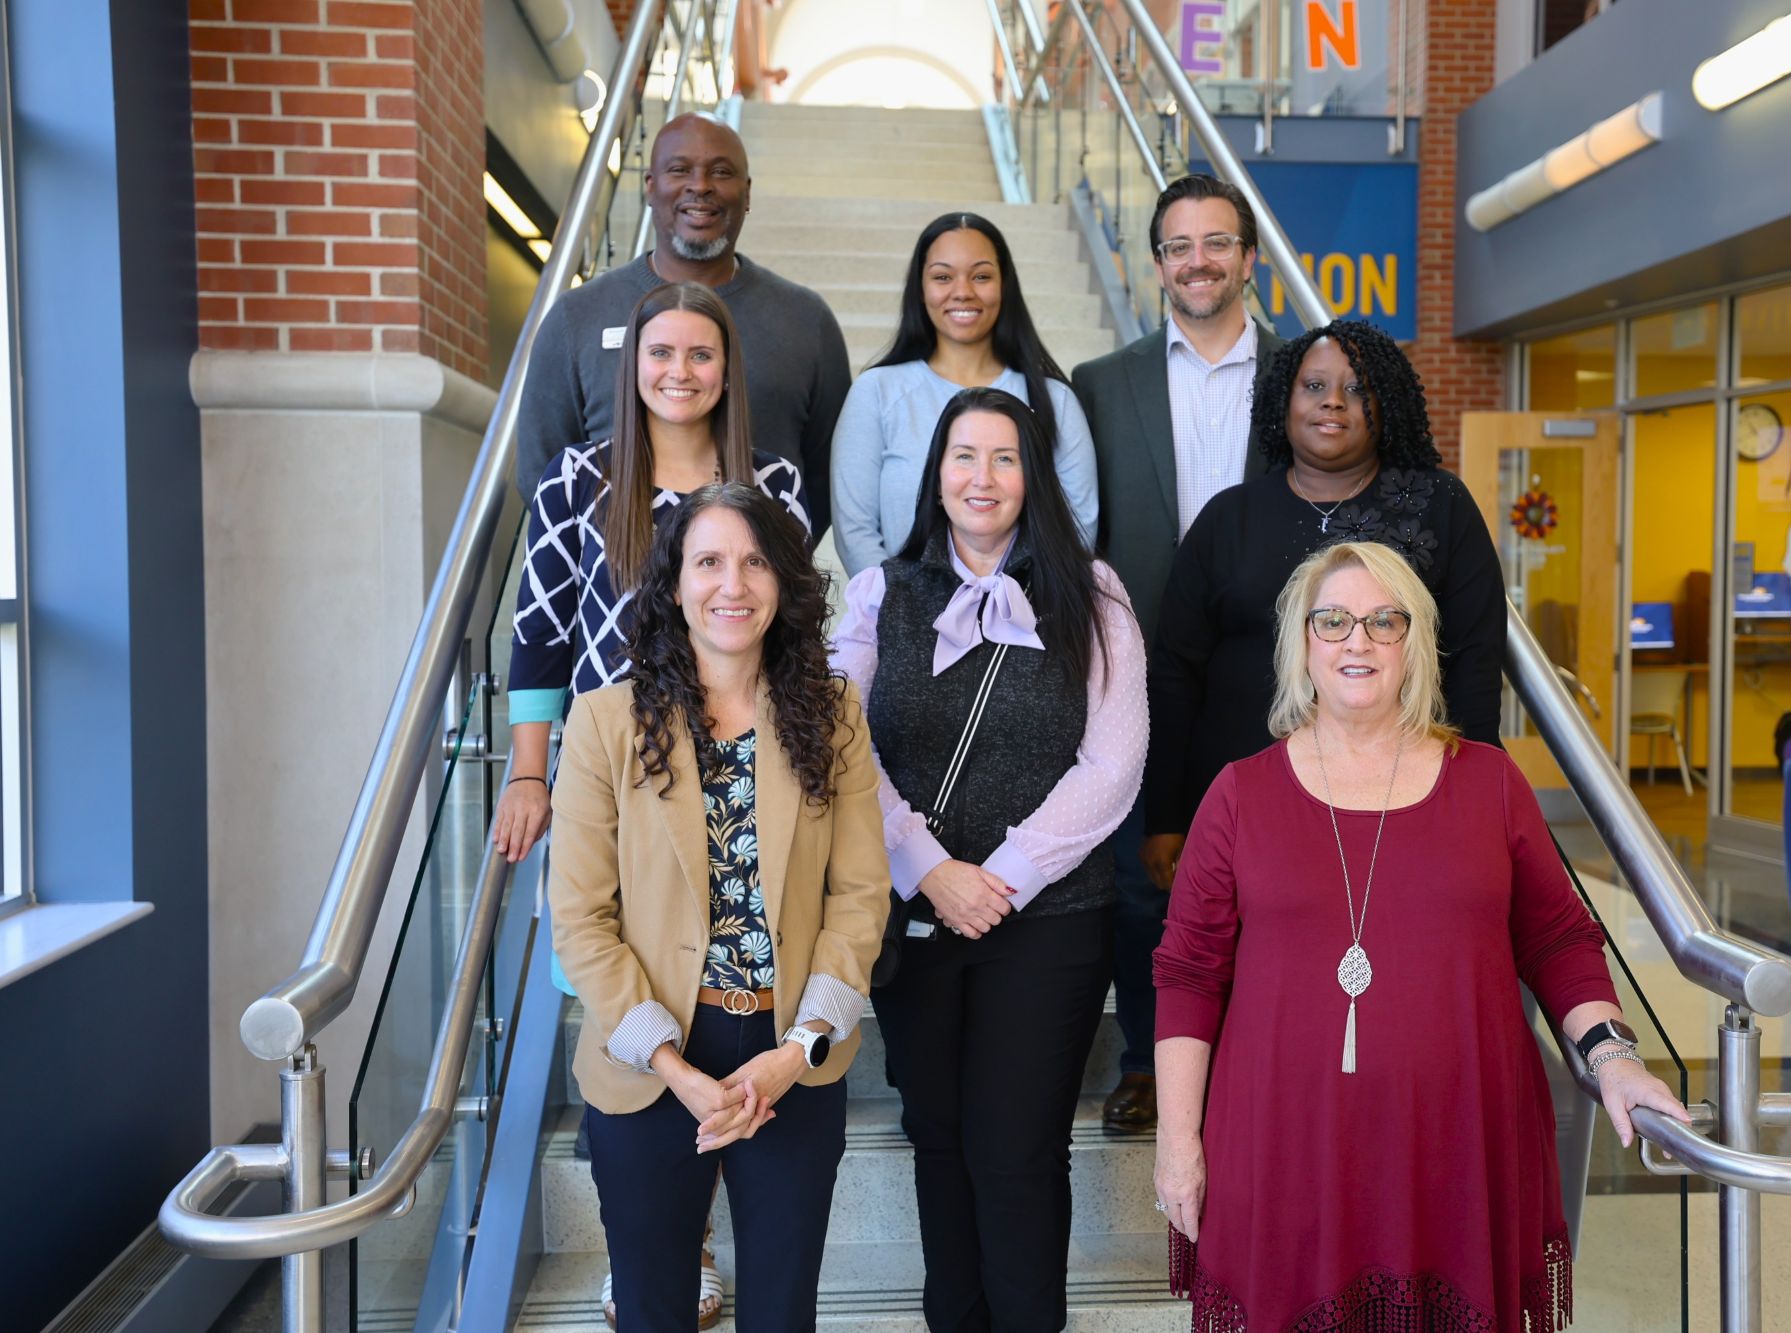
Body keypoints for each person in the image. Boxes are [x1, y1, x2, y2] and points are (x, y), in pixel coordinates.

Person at [1151, 540, 1689, 1330]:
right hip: (1286, 1148)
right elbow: (1189, 976)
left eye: (1383, 620)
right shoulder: (1239, 794)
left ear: (1415, 643)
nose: (1356, 640)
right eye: (1332, 620)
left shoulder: (1489, 783)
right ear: (1302, 641)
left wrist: (1613, 1058)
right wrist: (1177, 1141)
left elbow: (1558, 937)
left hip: (1459, 1147)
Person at [498, 281, 808, 1330]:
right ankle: (659, 1247)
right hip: (612, 794)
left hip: (742, 790)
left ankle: (707, 1245)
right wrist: (528, 772)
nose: (679, 371)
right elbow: (538, 639)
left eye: (701, 354)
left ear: (730, 371)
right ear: (630, 370)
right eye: (660, 353)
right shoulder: (577, 483)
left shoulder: (776, 487)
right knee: (624, 1010)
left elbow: (801, 630)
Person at [829, 387, 1144, 1331]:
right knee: (937, 1137)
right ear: (936, 474)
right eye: (963, 456)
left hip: (1048, 919)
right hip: (915, 916)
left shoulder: (1093, 592)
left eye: (1005, 457)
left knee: (1018, 1148)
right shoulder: (880, 591)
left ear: (1032, 475)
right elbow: (841, 741)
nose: (983, 477)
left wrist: (1000, 877)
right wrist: (927, 864)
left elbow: (1115, 755)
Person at [547, 482, 891, 1333]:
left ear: (783, 581)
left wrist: (797, 1050)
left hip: (792, 1054)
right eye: (708, 561)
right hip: (649, 1063)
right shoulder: (602, 723)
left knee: (782, 1312)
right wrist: (675, 1068)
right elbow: (582, 920)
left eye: (754, 560)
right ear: (673, 583)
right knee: (654, 1311)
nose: (731, 583)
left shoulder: (832, 712)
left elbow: (858, 896)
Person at [1144, 319, 1508, 896]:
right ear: (1282, 401)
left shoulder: (1440, 506)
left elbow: (1475, 663)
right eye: (1313, 386)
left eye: (1358, 387)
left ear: (1387, 404)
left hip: (1400, 799)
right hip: (1243, 802)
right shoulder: (1228, 518)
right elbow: (1174, 671)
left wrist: (1473, 798)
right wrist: (1165, 812)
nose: (1334, 401)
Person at [1070, 174, 1282, 1135]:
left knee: (1274, 877)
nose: (1197, 261)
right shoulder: (1100, 385)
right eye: (1177, 246)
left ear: (1248, 257)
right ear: (1155, 263)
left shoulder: (1301, 378)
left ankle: (1263, 1052)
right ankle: (1152, 1062)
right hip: (1141, 671)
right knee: (1138, 885)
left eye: (1216, 242)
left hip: (1276, 672)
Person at [514, 113, 850, 542]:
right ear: (650, 186)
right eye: (680, 170)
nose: (701, 185)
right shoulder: (576, 316)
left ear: (747, 194)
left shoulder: (805, 320)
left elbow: (829, 478)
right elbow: (540, 471)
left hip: (750, 593)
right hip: (618, 586)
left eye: (722, 172)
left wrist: (770, 563)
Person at [829, 212, 1098, 573]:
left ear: (1005, 285)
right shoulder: (876, 393)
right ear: (921, 289)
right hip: (901, 620)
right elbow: (855, 530)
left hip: (1029, 621)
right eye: (942, 277)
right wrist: (902, 612)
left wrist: (1020, 612)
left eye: (982, 276)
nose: (963, 291)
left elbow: (1078, 528)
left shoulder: (1054, 400)